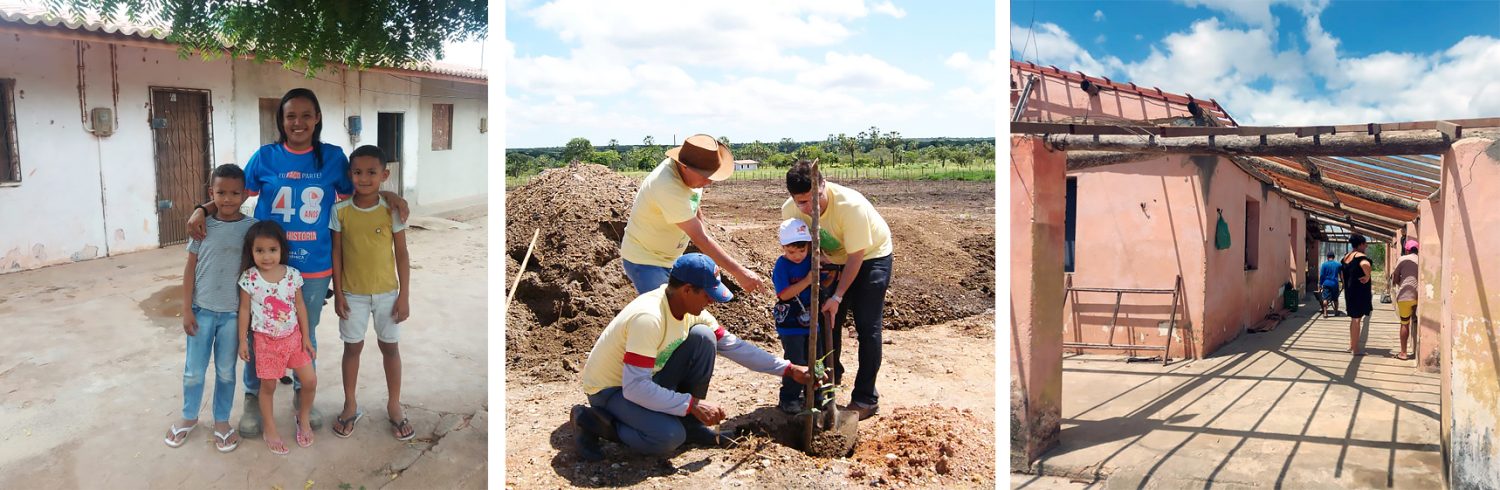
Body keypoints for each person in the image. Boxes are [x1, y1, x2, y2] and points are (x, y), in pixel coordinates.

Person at [185, 88, 408, 436]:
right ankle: (254, 397)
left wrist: (390, 195)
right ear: (281, 121)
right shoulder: (266, 157)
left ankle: (305, 395)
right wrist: (203, 208)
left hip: (314, 266)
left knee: (306, 332)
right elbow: (231, 192)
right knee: (259, 331)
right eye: (291, 116)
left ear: (317, 118)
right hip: (264, 266)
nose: (298, 122)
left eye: (306, 115)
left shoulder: (333, 158)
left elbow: (363, 191)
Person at [570, 254, 812, 461]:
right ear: (686, 290)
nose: (711, 301)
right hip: (612, 390)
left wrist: (788, 369)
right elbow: (634, 388)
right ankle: (593, 422)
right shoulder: (649, 318)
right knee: (668, 438)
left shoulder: (690, 310)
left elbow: (735, 346)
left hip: (644, 380)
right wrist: (692, 404)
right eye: (707, 294)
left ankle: (690, 424)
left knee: (704, 337)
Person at [782, 159, 893, 420]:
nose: (809, 208)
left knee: (867, 326)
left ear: (824, 185)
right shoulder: (790, 211)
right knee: (827, 322)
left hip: (870, 258)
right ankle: (829, 384)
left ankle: (866, 397)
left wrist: (838, 295)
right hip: (831, 261)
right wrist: (818, 261)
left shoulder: (850, 206)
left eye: (814, 198)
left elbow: (856, 256)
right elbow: (800, 246)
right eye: (802, 202)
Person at [165, 164, 257, 453]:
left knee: (226, 371)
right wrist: (187, 308)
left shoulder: (251, 228)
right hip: (202, 310)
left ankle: (221, 421)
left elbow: (256, 270)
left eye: (234, 193)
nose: (227, 199)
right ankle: (189, 416)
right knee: (194, 371)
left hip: (233, 314)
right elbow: (190, 269)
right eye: (221, 193)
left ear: (244, 195)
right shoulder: (200, 226)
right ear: (210, 193)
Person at [329, 145, 414, 440]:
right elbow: (336, 254)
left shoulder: (392, 210)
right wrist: (338, 293)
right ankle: (350, 403)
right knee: (352, 348)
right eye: (357, 172)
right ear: (349, 174)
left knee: (390, 348)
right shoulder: (339, 211)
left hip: (388, 294)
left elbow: (401, 255)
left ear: (384, 175)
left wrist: (404, 295)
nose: (364, 178)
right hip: (352, 294)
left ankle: (394, 404)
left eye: (371, 172)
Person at [620, 134, 763, 295]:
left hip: (671, 259)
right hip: (645, 260)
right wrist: (739, 272)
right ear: (684, 166)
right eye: (706, 176)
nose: (709, 182)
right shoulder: (667, 186)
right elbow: (700, 238)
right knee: (667, 309)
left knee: (683, 307)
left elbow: (693, 203)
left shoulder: (693, 176)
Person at [236, 222, 318, 454]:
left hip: (293, 339)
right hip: (265, 343)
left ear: (281, 249)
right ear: (251, 252)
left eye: (272, 249)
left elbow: (300, 305)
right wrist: (243, 340)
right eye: (259, 250)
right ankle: (269, 427)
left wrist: (306, 337)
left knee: (310, 381)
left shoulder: (292, 275)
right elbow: (244, 311)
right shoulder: (249, 278)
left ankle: (302, 418)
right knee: (268, 386)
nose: (266, 256)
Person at [770, 218, 837, 414]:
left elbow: (826, 278)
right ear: (783, 247)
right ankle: (789, 397)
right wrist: (808, 280)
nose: (797, 256)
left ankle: (816, 395)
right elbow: (783, 294)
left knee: (816, 358)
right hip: (790, 322)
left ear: (808, 246)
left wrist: (829, 269)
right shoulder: (782, 265)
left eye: (802, 250)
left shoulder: (811, 260)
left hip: (811, 319)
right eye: (791, 251)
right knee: (795, 359)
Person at [1342, 234, 1374, 356]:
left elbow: (1342, 273)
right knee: (1357, 320)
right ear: (1360, 244)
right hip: (1359, 292)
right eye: (1365, 243)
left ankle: (1352, 344)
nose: (1366, 246)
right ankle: (1355, 349)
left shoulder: (1346, 257)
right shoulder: (1361, 257)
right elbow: (1366, 264)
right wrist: (1368, 275)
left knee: (1353, 319)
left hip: (1350, 292)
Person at [1391, 240, 1420, 361]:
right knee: (1417, 321)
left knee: (1404, 323)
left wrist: (1401, 282)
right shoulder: (1421, 259)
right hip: (1420, 296)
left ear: (1407, 249)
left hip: (1404, 297)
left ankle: (1403, 353)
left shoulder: (1402, 259)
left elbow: (1395, 278)